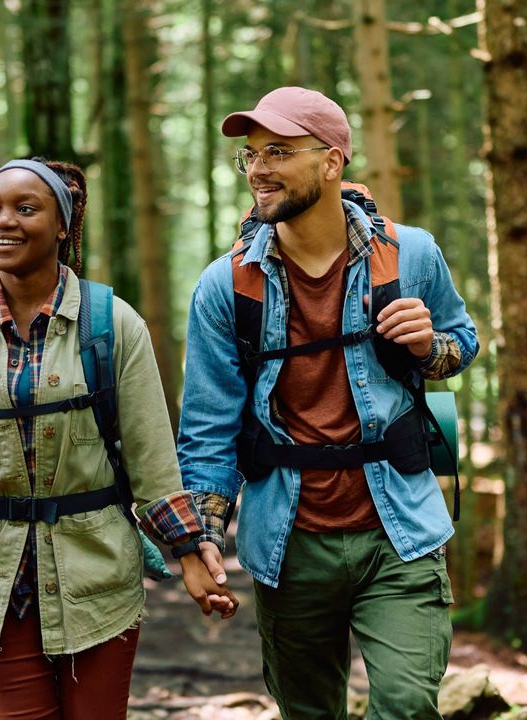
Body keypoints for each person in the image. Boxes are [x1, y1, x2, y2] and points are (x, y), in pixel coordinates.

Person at [178, 87, 480, 719]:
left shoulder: (411, 254)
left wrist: (429, 348)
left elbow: (463, 340)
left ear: (331, 161)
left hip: (399, 532)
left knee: (405, 707)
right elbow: (209, 430)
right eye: (251, 154)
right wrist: (201, 540)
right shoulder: (226, 286)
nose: (259, 168)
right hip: (288, 542)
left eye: (279, 152)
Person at [0, 157, 236, 720]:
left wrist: (190, 554)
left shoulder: (112, 324)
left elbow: (152, 459)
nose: (2, 221)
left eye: (25, 209)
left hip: (97, 573)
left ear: (63, 226)